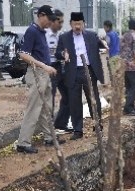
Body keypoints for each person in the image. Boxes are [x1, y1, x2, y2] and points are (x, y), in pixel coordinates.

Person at [16, 5, 65, 154]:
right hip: (37, 73)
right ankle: (23, 143)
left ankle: (49, 137)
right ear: (41, 15)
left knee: (47, 108)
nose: (50, 23)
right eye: (49, 19)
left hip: (44, 74)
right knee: (34, 108)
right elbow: (23, 55)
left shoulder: (41, 32)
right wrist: (44, 66)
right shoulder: (32, 31)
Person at [56, 12, 105, 140]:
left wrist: (105, 42)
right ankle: (78, 130)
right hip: (73, 72)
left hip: (89, 70)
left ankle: (97, 124)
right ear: (71, 24)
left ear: (84, 24)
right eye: (75, 24)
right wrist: (63, 54)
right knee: (74, 102)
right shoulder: (64, 37)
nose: (77, 26)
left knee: (93, 99)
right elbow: (57, 52)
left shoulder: (91, 35)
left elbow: (101, 44)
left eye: (80, 24)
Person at [46, 9, 72, 134]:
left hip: (61, 67)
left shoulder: (62, 35)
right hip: (48, 67)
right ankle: (48, 130)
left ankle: (61, 124)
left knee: (68, 95)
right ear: (52, 20)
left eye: (62, 22)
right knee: (49, 98)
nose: (61, 24)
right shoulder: (44, 35)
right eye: (59, 21)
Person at [120, 19, 135, 116]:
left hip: (124, 65)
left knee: (129, 87)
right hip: (133, 66)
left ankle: (131, 106)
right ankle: (128, 108)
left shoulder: (124, 36)